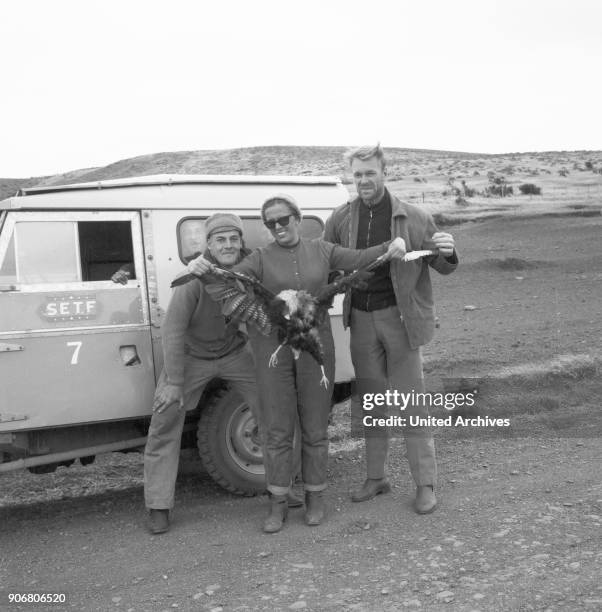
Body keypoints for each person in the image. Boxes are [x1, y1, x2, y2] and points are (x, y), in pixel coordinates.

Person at [188, 195, 407, 533]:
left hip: (315, 351)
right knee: (276, 429)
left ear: (297, 218)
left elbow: (362, 257)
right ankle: (277, 502)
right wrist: (199, 266)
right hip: (271, 353)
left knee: (316, 427)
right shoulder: (259, 259)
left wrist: (393, 243)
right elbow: (227, 278)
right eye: (271, 223)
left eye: (283, 219)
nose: (278, 227)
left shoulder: (323, 250)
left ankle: (315, 498)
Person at [324, 144, 458, 514]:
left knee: (412, 404)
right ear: (351, 176)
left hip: (401, 320)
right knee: (373, 404)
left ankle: (425, 484)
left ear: (384, 172)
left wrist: (447, 250)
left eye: (370, 173)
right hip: (360, 321)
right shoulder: (340, 218)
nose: (364, 180)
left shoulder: (413, 216)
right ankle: (376, 477)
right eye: (358, 174)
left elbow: (441, 264)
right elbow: (329, 263)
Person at [143, 213, 261, 534]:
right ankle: (158, 504)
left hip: (234, 352)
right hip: (192, 357)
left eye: (233, 239)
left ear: (241, 242)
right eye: (220, 239)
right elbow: (173, 331)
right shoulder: (193, 277)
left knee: (272, 407)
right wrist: (175, 382)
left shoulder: (248, 269)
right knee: (165, 418)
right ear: (208, 244)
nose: (228, 245)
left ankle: (284, 484)